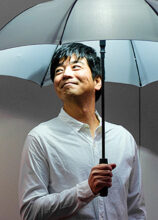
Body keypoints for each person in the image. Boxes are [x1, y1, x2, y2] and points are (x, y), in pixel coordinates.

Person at [18, 43, 146, 219]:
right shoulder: (40, 137)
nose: (66, 74)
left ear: (97, 81)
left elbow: (135, 210)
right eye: (58, 71)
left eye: (75, 66)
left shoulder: (123, 138)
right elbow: (31, 212)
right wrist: (87, 189)